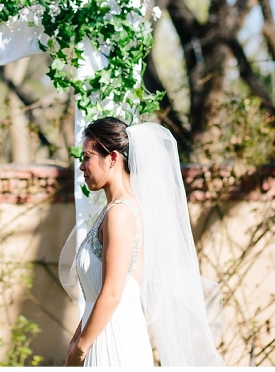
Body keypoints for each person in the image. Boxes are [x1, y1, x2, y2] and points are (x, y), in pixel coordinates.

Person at [61, 117, 224, 366]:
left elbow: (113, 292)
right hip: (99, 337)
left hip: (115, 342)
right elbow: (96, 297)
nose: (81, 166)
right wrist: (76, 343)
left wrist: (80, 348)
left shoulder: (120, 213)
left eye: (86, 157)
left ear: (113, 158)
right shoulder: (110, 211)